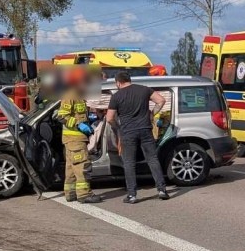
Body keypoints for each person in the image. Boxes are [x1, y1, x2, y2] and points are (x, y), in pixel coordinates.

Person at [106, 71, 170, 204]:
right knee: (152, 159)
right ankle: (162, 190)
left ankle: (132, 195)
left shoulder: (117, 96)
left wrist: (118, 127)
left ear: (118, 82)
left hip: (128, 132)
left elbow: (109, 118)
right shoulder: (144, 90)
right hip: (146, 129)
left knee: (129, 163)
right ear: (129, 79)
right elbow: (161, 100)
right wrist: (151, 114)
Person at [55, 66, 103, 204]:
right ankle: (84, 194)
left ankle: (70, 193)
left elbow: (79, 114)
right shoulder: (71, 95)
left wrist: (89, 121)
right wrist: (79, 125)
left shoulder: (79, 96)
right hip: (74, 138)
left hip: (74, 139)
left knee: (71, 167)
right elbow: (61, 116)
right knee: (83, 165)